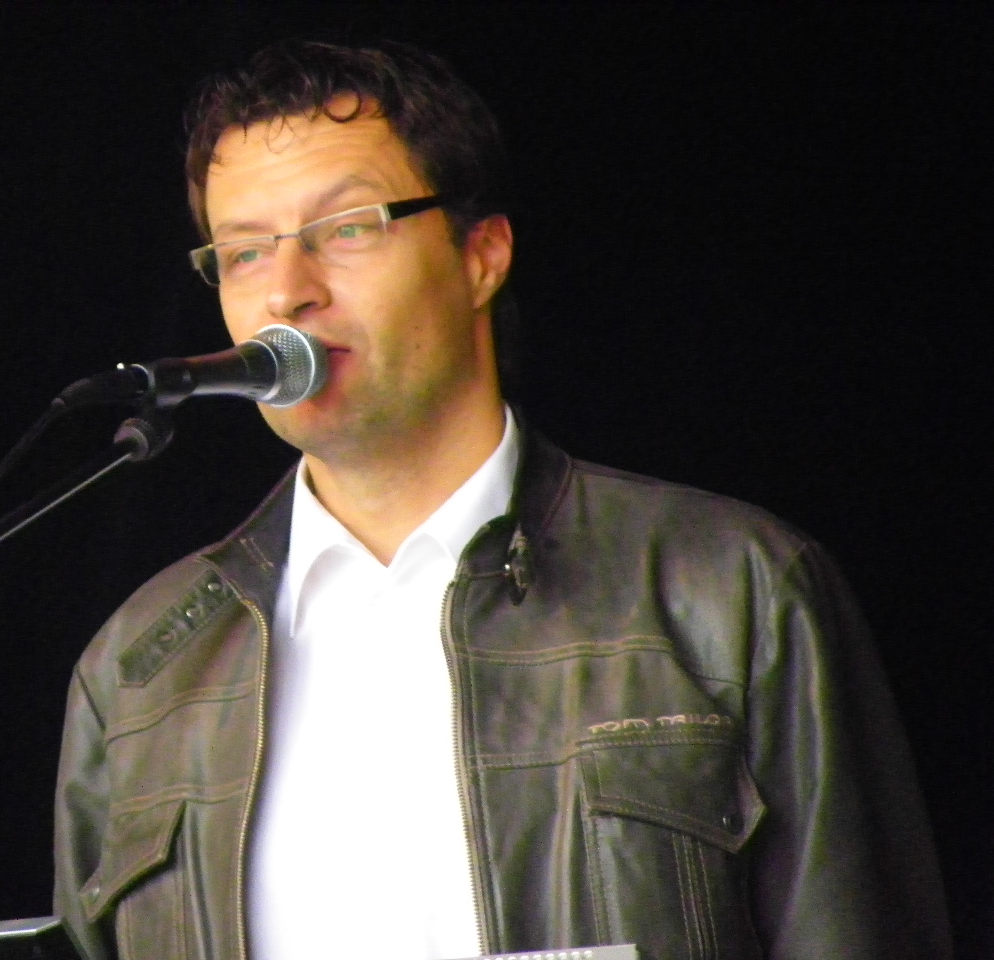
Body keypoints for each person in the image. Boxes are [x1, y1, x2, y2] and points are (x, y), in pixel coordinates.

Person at [53, 40, 950, 960]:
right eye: (245, 252)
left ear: (482, 256)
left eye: (348, 228)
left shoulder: (733, 589)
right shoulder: (138, 668)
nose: (288, 291)